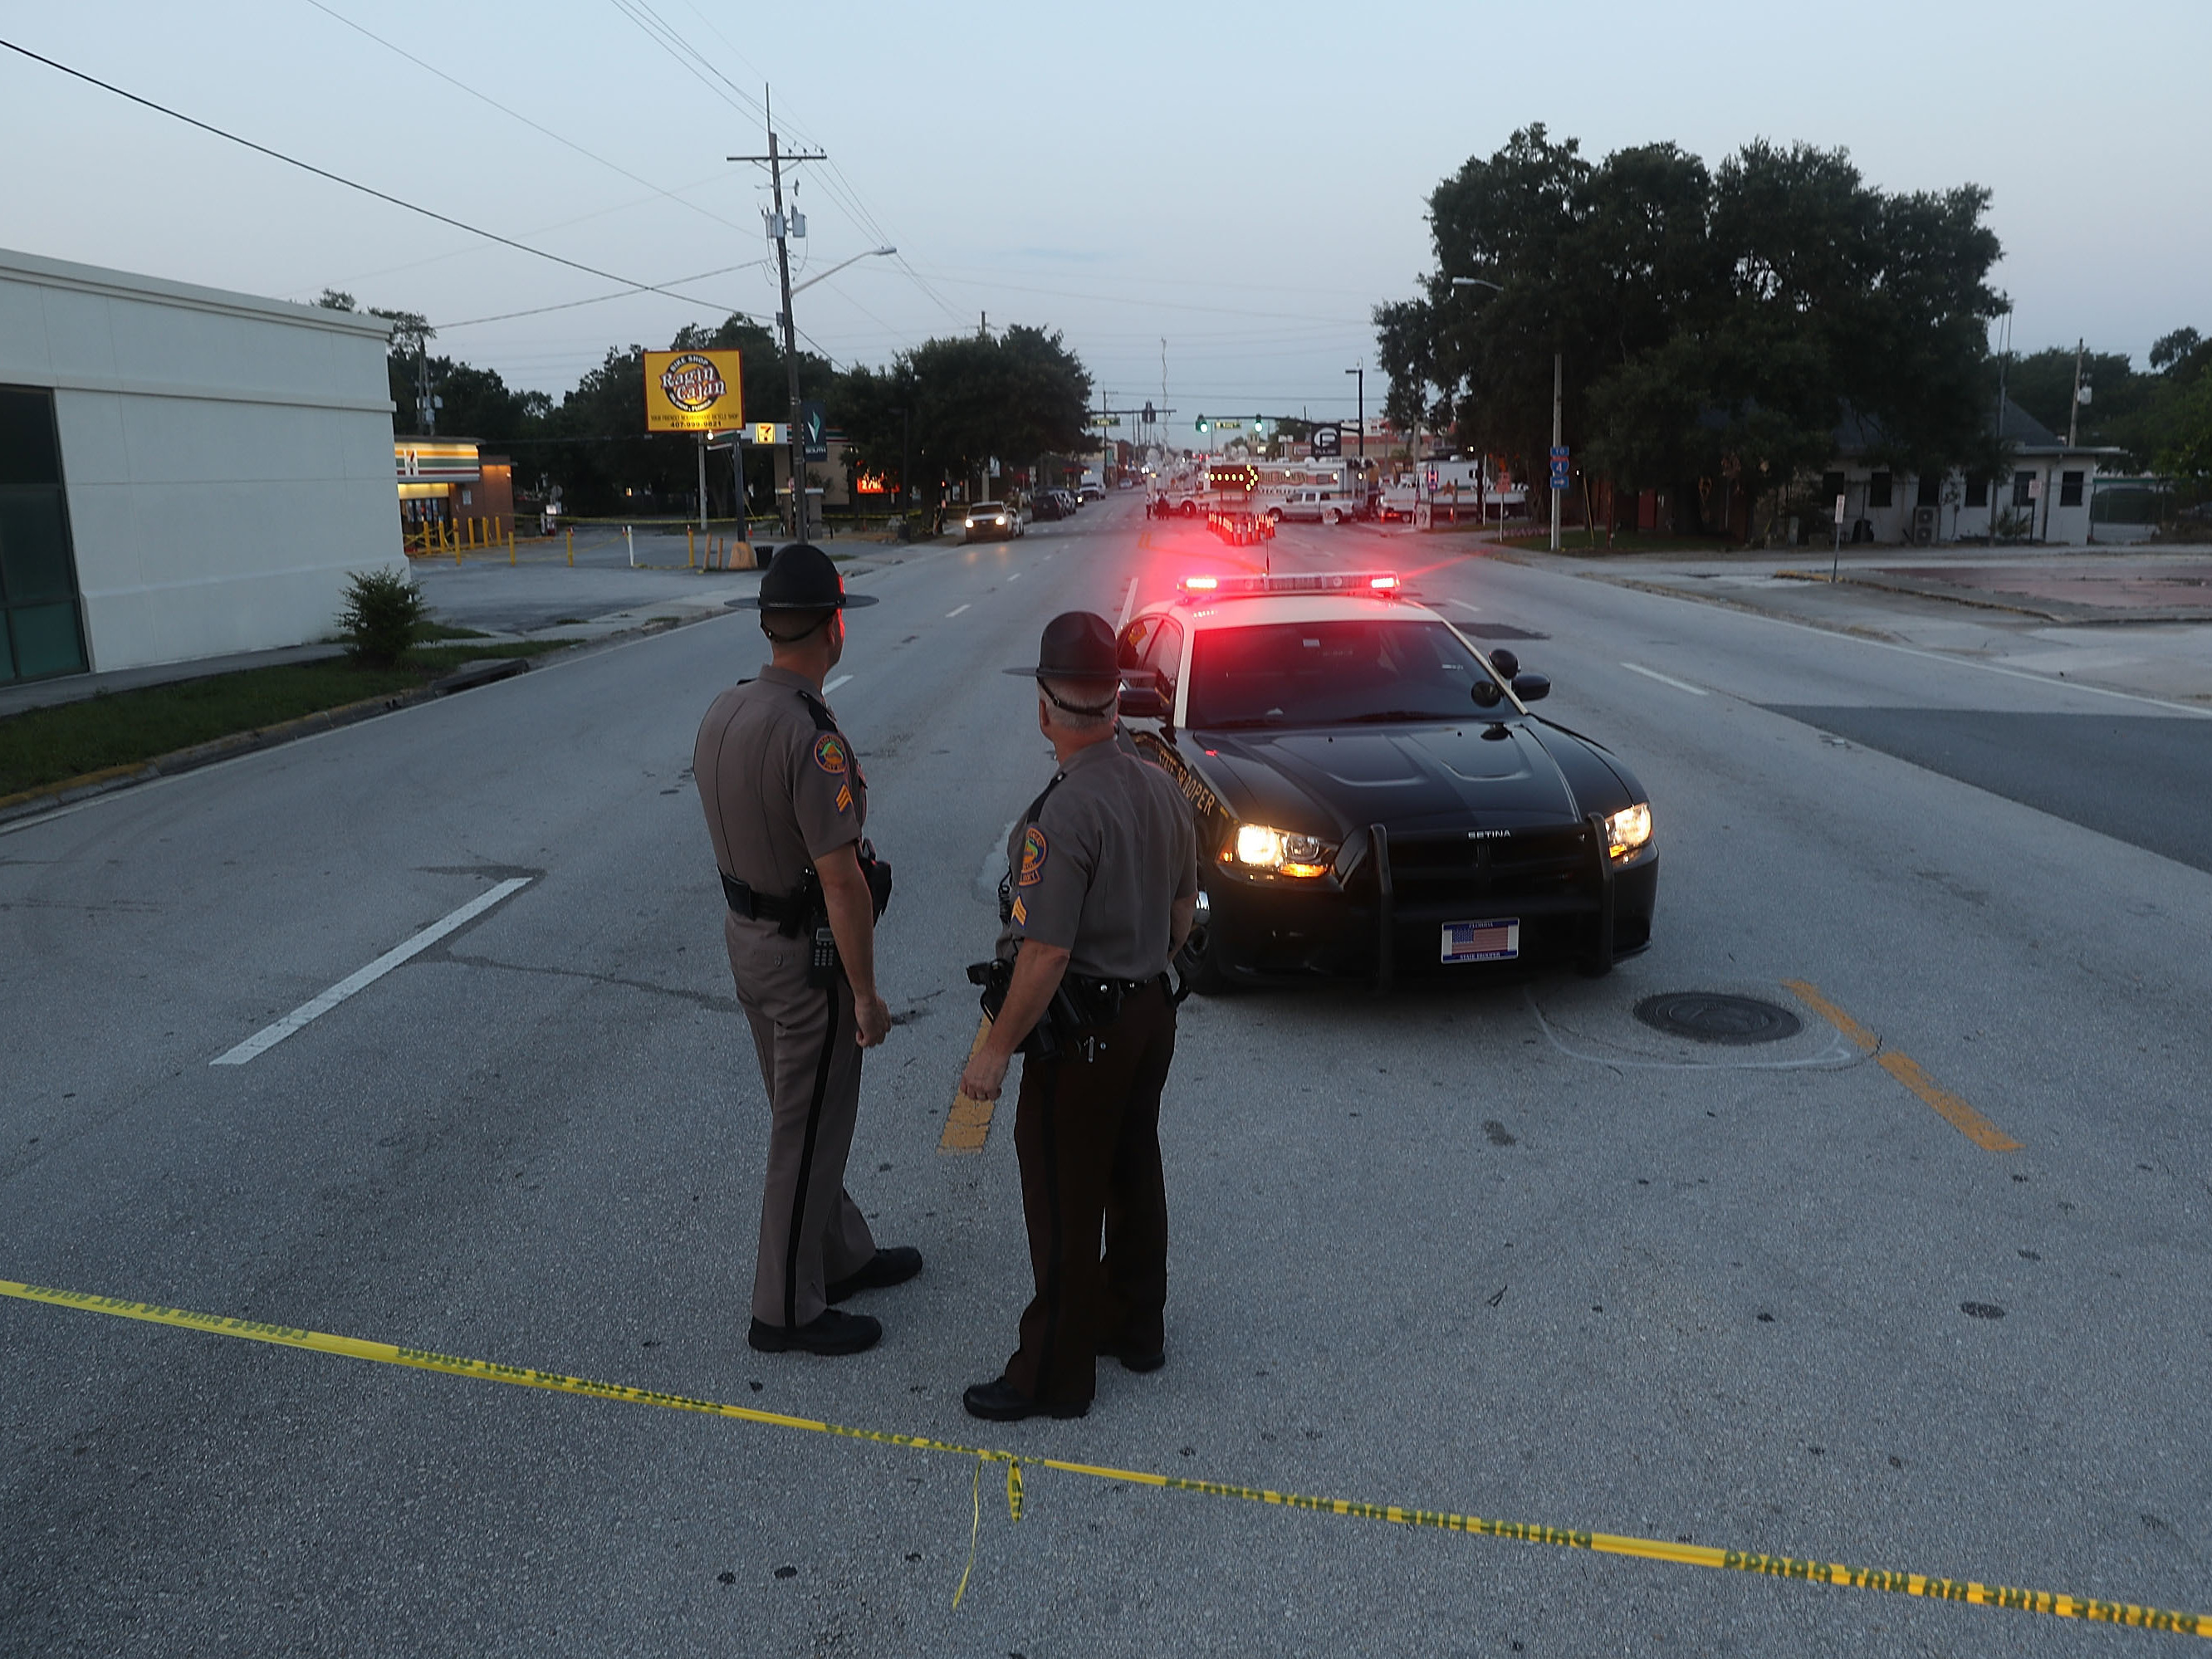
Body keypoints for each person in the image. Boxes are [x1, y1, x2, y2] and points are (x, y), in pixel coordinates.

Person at [960, 612, 1198, 1421]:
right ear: (1116, 699)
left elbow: (1047, 952)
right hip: (1149, 1014)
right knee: (1134, 1168)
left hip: (1087, 1031)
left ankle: (1053, 1376)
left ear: (1044, 706)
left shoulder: (1063, 816)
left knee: (1063, 1194)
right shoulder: (1161, 782)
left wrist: (994, 1052)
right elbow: (1181, 916)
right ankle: (1136, 1326)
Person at [694, 544, 920, 1358]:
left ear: (765, 626)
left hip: (745, 939)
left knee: (808, 1119)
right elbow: (841, 880)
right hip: (801, 958)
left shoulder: (727, 709)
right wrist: (865, 995)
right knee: (805, 1131)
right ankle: (784, 1308)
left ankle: (841, 1253)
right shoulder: (809, 734)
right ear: (835, 630)